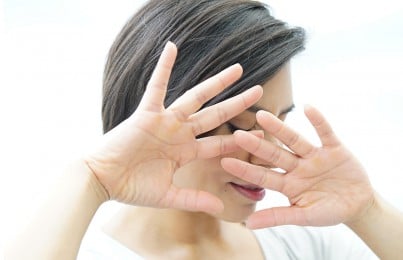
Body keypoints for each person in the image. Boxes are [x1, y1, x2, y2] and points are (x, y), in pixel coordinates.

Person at [5, 0, 403, 259]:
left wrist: (368, 210)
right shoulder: (78, 250)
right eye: (240, 124)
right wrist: (89, 175)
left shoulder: (302, 245)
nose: (267, 151)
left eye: (279, 123)